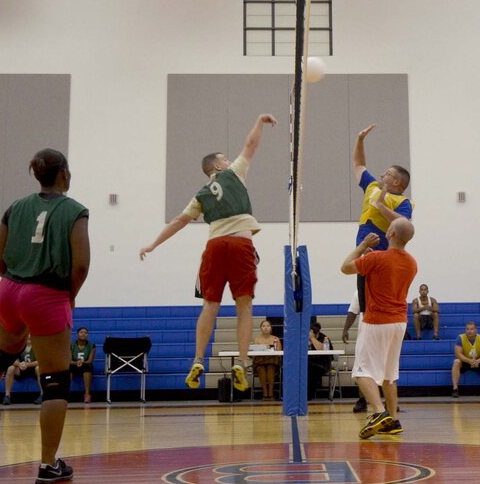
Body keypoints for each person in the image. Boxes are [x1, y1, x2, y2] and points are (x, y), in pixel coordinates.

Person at [0, 149, 90, 484]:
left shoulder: (15, 207)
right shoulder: (75, 210)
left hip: (8, 289)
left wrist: (17, 284)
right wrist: (69, 295)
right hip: (46, 294)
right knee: (55, 381)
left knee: (5, 351)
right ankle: (49, 465)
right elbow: (80, 265)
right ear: (63, 174)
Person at [140, 113, 277, 395]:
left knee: (210, 306)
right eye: (224, 158)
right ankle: (242, 362)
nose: (229, 160)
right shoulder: (234, 173)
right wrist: (259, 121)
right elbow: (251, 145)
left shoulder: (201, 195)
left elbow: (178, 221)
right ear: (217, 165)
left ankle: (198, 359)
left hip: (214, 246)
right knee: (244, 306)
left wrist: (153, 245)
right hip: (240, 245)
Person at [348, 124, 412, 412]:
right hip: (366, 260)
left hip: (384, 263)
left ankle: (379, 403)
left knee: (377, 318)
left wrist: (381, 202)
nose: (382, 175)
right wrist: (360, 139)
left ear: (396, 182)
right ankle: (375, 400)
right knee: (365, 313)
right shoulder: (372, 185)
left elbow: (403, 227)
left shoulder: (402, 201)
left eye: (387, 174)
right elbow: (358, 164)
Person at [342, 219, 417, 439]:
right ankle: (392, 419)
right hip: (399, 322)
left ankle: (378, 411)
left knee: (361, 372)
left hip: (377, 320)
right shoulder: (412, 263)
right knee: (389, 375)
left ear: (391, 233)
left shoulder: (376, 258)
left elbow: (345, 267)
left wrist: (363, 245)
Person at [252, 318, 282, 401]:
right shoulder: (257, 339)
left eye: (268, 326)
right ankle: (265, 392)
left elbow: (279, 352)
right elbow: (254, 351)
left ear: (271, 328)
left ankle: (271, 392)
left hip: (272, 361)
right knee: (261, 368)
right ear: (260, 328)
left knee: (270, 368)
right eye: (263, 326)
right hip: (260, 361)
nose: (266, 328)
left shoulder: (276, 339)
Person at [307, 319, 336, 399]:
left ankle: (309, 395)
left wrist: (312, 338)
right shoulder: (304, 338)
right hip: (309, 363)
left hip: (322, 364)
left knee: (311, 370)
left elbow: (322, 349)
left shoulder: (324, 338)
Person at [69, 326, 96, 404]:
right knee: (68, 368)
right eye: (81, 332)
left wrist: (82, 363)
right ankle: (66, 393)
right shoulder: (71, 345)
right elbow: (69, 361)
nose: (83, 334)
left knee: (88, 368)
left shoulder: (92, 345)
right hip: (74, 365)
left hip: (85, 365)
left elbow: (90, 361)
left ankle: (87, 395)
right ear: (77, 334)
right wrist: (76, 363)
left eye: (85, 332)